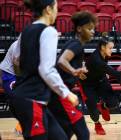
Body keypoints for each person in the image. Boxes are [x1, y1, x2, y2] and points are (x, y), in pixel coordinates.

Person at [8, 0, 78, 140]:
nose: (57, 12)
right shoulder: (49, 31)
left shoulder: (26, 30)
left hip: (21, 97)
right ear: (48, 9)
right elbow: (47, 70)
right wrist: (66, 93)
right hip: (32, 99)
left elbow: (16, 58)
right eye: (56, 8)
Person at [79, 36, 121, 135]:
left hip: (101, 80)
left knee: (114, 103)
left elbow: (101, 68)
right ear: (103, 47)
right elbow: (117, 74)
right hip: (88, 85)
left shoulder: (104, 54)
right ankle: (97, 124)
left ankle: (103, 106)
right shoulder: (96, 59)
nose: (112, 50)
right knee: (93, 111)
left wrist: (103, 72)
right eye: (110, 48)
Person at [48, 11, 97, 140]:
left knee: (66, 133)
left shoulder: (73, 43)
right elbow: (62, 61)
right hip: (60, 93)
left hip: (57, 92)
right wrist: (73, 71)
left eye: (94, 29)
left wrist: (77, 72)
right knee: (83, 132)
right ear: (79, 29)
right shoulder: (76, 45)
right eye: (89, 28)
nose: (93, 32)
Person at [0, 41, 22, 135]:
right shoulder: (20, 45)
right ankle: (21, 127)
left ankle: (21, 126)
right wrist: (22, 79)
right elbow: (16, 62)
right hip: (8, 75)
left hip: (11, 74)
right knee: (21, 100)